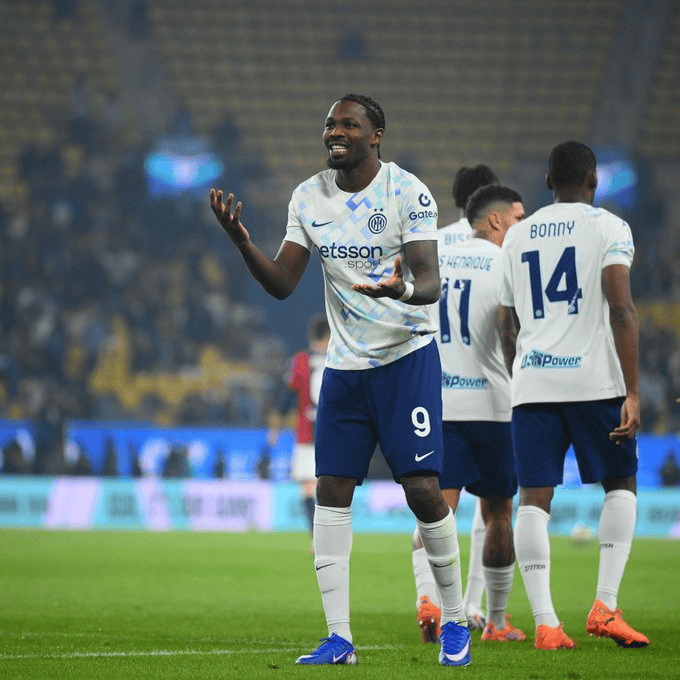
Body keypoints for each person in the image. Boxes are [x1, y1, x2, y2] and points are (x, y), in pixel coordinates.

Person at [210, 94, 471, 667]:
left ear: (376, 135)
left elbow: (430, 281)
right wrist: (242, 242)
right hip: (346, 368)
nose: (335, 131)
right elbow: (283, 282)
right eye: (330, 124)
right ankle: (339, 638)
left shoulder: (407, 192)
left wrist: (401, 289)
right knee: (331, 491)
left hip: (406, 359)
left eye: (349, 124)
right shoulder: (309, 196)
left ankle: (455, 621)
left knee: (422, 489)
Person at [498, 141, 648, 650]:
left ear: (548, 182)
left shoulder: (516, 236)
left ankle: (546, 624)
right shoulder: (609, 227)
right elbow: (621, 308)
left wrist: (523, 371)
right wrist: (632, 390)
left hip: (533, 384)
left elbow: (506, 323)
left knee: (532, 499)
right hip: (594, 383)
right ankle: (604, 606)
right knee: (620, 483)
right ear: (593, 181)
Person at [411, 185, 526, 645]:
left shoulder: (437, 259)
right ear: (495, 220)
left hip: (440, 404)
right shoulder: (505, 262)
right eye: (517, 219)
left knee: (438, 511)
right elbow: (510, 330)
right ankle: (495, 622)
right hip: (493, 407)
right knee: (498, 513)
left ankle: (431, 602)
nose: (521, 227)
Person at [267, 313, 331, 538]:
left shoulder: (300, 360)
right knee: (329, 485)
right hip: (334, 434)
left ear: (312, 337)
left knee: (308, 487)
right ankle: (326, 534)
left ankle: (316, 535)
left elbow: (286, 397)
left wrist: (275, 428)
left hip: (306, 434)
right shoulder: (339, 359)